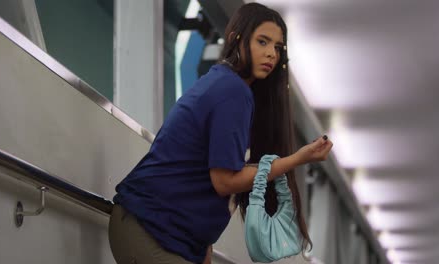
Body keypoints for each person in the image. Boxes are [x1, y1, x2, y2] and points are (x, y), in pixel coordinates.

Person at [108, 2, 333, 264]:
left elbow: (208, 177)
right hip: (150, 229)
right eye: (262, 42)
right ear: (236, 37)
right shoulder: (232, 91)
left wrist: (202, 244)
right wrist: (298, 159)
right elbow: (224, 181)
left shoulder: (226, 85)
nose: (271, 53)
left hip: (165, 232)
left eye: (277, 47)